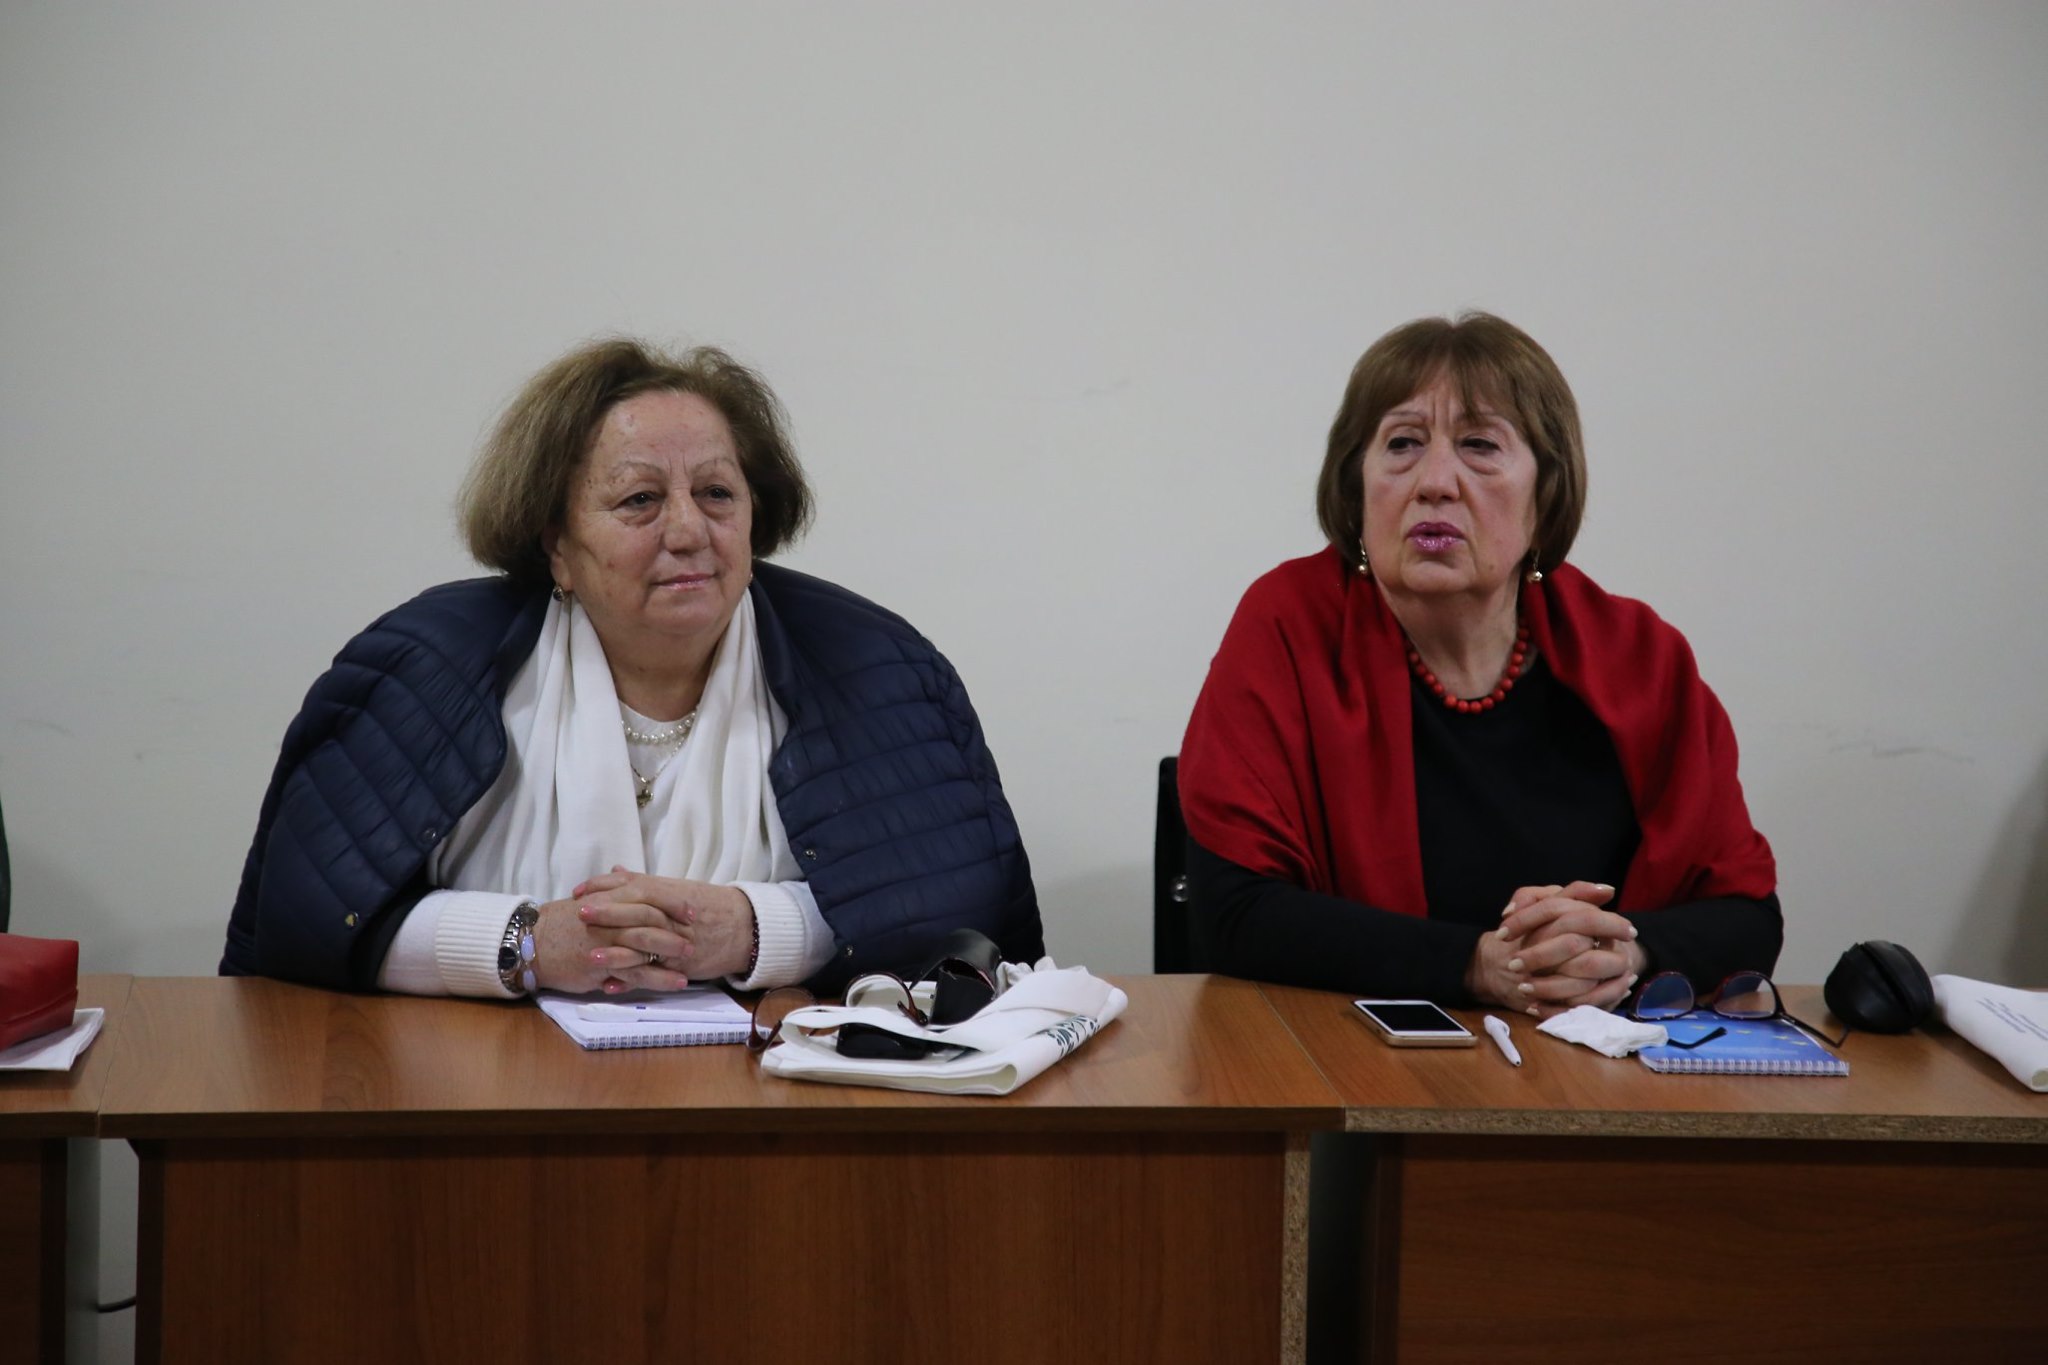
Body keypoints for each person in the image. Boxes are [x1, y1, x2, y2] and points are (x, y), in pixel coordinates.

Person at [222, 339, 1042, 999]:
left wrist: (756, 929)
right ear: (556, 543)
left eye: (716, 493)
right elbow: (307, 928)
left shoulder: (878, 667)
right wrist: (525, 942)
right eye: (639, 500)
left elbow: (963, 924)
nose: (688, 530)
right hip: (468, 1103)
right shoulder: (425, 667)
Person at [1178, 313, 1779, 1017]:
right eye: (1403, 443)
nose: (1435, 481)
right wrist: (1477, 965)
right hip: (1353, 1068)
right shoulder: (1287, 626)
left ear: (1545, 494)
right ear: (1355, 486)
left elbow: (1749, 917)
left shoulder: (1641, 657)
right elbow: (1233, 914)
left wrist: (1623, 954)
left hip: (1595, 1071)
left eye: (1480, 445)